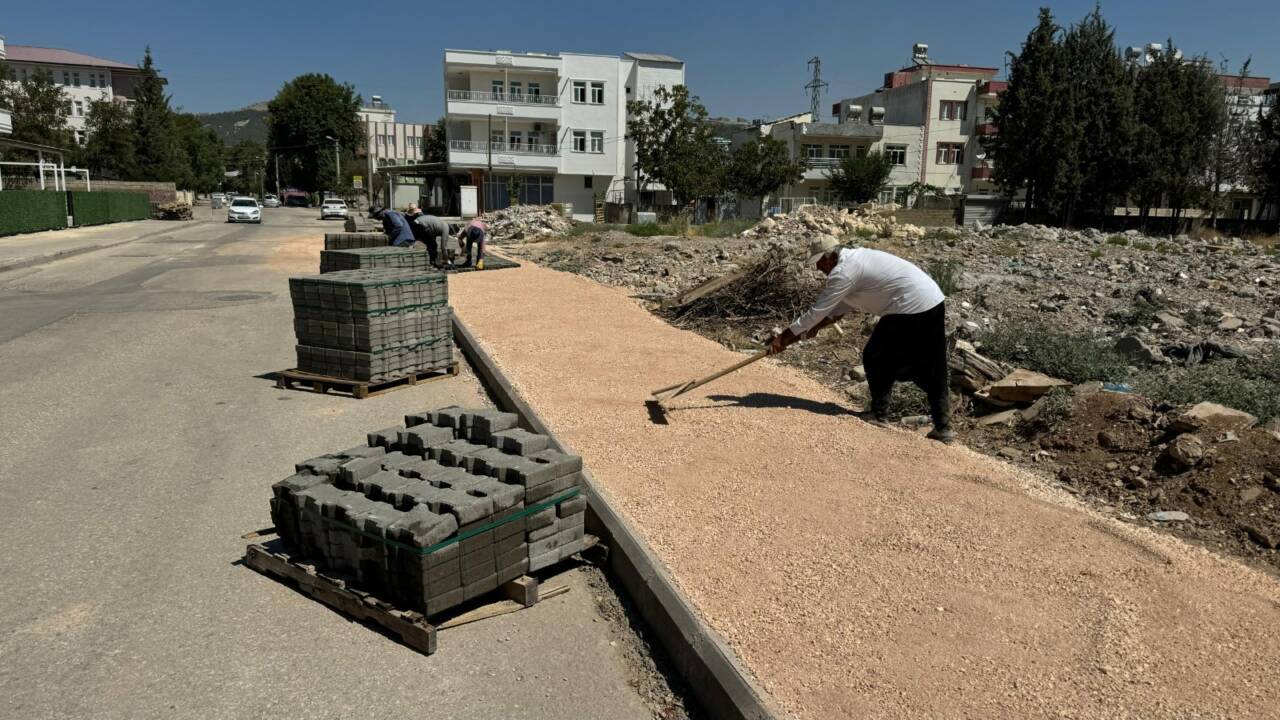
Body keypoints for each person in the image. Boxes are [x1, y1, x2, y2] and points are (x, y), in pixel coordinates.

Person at [768, 236, 954, 443]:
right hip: (932, 300)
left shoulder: (843, 272)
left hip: (909, 304)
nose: (818, 268)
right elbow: (837, 310)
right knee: (930, 363)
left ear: (829, 258)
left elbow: (817, 312)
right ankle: (943, 427)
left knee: (876, 357)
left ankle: (879, 413)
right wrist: (813, 329)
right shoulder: (853, 264)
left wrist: (783, 338)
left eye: (819, 263)